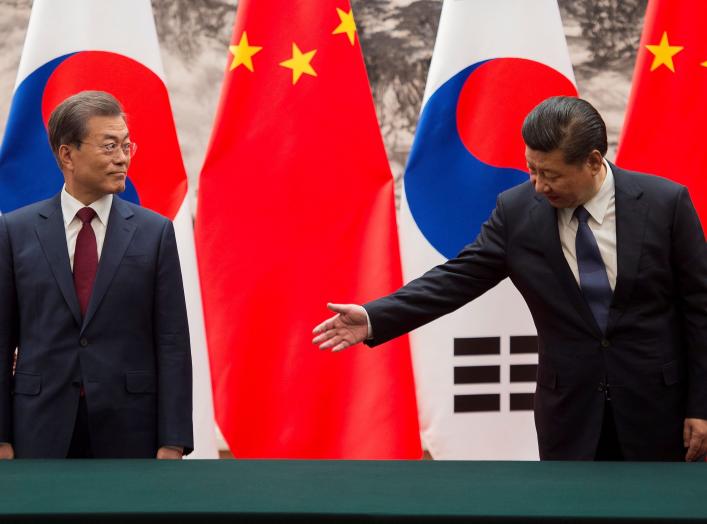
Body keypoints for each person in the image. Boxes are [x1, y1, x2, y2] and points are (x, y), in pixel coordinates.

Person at [313, 96, 707, 461]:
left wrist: (701, 408)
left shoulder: (664, 204)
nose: (538, 185)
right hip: (569, 415)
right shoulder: (518, 211)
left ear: (592, 161)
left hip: (659, 412)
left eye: (551, 175)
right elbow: (457, 278)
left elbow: (700, 311)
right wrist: (374, 317)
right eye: (532, 169)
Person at [0, 91, 193, 459]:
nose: (122, 158)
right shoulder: (16, 231)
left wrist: (174, 439)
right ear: (67, 154)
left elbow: (172, 345)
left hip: (132, 429)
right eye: (108, 147)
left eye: (126, 145)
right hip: (37, 428)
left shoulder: (155, 233)